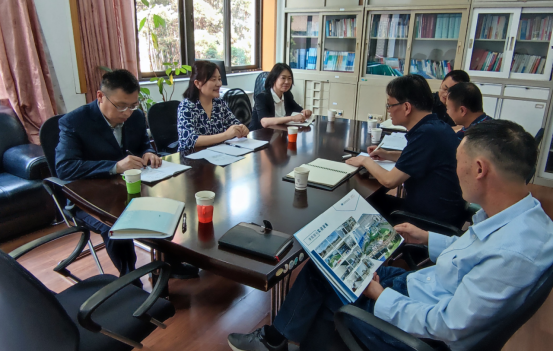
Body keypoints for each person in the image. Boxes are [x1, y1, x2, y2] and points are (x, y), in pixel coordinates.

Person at [228, 120, 553, 352]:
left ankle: (280, 340)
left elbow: (447, 326)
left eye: (458, 162)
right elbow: (472, 257)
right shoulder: (526, 219)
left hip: (415, 329)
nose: (455, 171)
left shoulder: (511, 255)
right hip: (424, 288)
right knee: (325, 266)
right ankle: (280, 339)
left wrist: (378, 295)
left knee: (325, 284)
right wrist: (427, 238)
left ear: (480, 169)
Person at [56, 69, 198, 281]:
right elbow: (65, 167)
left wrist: (149, 153)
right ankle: (130, 279)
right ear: (100, 96)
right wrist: (115, 166)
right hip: (88, 198)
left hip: (128, 188)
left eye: (133, 105)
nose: (127, 112)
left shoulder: (136, 116)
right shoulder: (75, 122)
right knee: (117, 225)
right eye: (121, 106)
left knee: (169, 203)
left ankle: (170, 263)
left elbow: (143, 145)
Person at [346, 75, 466, 228]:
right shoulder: (436, 127)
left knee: (360, 205)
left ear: (407, 107)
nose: (389, 110)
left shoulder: (426, 134)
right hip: (442, 212)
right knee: (372, 200)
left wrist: (365, 160)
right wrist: (388, 154)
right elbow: (422, 158)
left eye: (390, 105)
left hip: (429, 221)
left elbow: (390, 181)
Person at [178, 61, 249, 154]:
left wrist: (241, 129)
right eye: (213, 79)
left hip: (217, 155)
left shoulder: (219, 103)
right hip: (191, 157)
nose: (219, 84)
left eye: (219, 79)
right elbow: (190, 140)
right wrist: (226, 135)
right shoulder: (187, 106)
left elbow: (234, 124)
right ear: (198, 83)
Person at [249, 63, 312, 131]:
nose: (287, 82)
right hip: (260, 134)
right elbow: (264, 122)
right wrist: (292, 118)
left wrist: (304, 111)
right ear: (274, 79)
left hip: (279, 133)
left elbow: (295, 107)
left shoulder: (287, 94)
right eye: (283, 78)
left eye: (289, 78)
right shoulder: (262, 97)